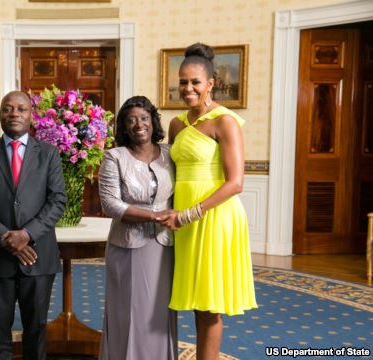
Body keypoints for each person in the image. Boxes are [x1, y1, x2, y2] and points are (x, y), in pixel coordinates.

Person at [161, 43, 258, 360]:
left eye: (195, 82)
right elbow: (170, 174)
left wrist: (189, 214)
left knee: (210, 303)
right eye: (182, 82)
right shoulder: (176, 125)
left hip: (214, 218)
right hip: (183, 220)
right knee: (194, 299)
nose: (187, 89)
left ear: (211, 84)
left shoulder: (224, 121)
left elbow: (236, 183)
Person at [0, 90, 67, 360]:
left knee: (36, 327)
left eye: (21, 109)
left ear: (30, 115)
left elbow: (58, 201)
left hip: (37, 255)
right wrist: (6, 237)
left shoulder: (48, 154)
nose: (14, 114)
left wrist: (26, 234)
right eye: (8, 109)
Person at [98, 96, 177, 360]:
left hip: (165, 247)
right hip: (127, 247)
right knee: (128, 312)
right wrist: (153, 216)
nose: (138, 124)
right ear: (123, 126)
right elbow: (110, 204)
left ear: (153, 122)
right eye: (131, 120)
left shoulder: (169, 154)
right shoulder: (114, 156)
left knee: (159, 312)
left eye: (144, 118)